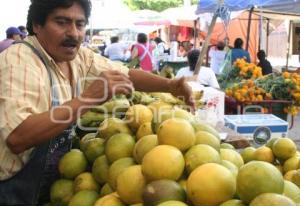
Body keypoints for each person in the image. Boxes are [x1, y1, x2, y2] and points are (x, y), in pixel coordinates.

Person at [0, 0, 194, 205]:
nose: (73, 33)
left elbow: (126, 74)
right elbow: (17, 137)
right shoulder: (19, 61)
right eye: (62, 22)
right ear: (37, 25)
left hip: (48, 188)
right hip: (12, 191)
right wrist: (88, 98)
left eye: (80, 24)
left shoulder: (77, 57)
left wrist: (170, 85)